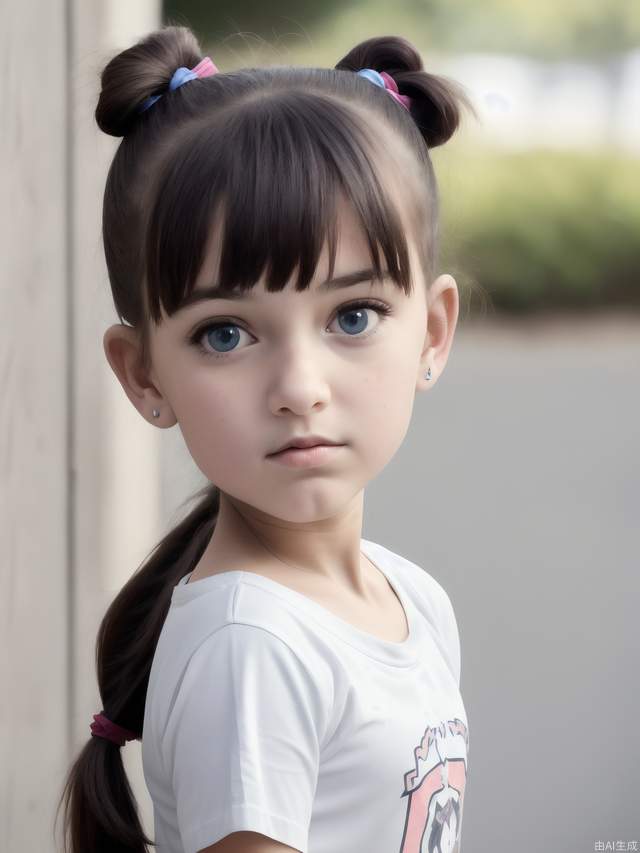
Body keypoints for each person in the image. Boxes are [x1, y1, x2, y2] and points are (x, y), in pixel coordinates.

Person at [56, 23, 477, 853]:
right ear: (143, 373)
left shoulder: (413, 600)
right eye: (226, 334)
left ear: (431, 332)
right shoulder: (251, 651)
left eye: (352, 316)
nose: (298, 389)